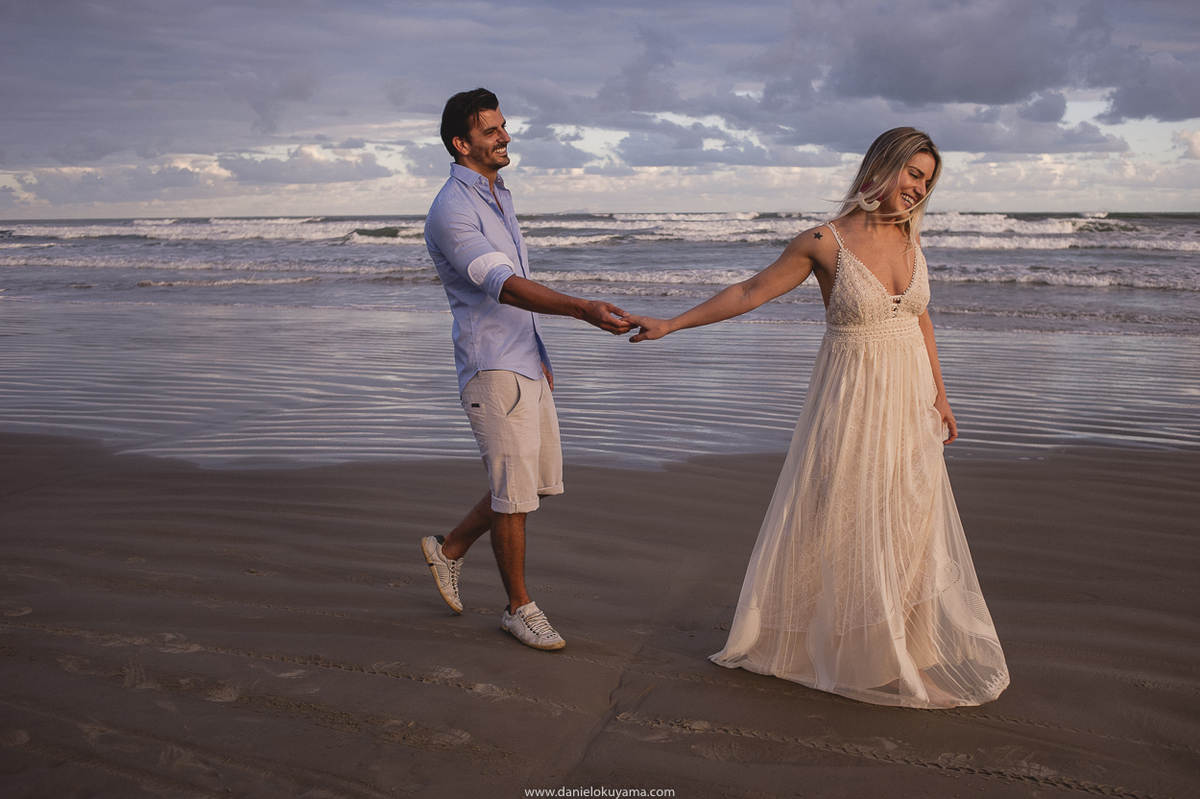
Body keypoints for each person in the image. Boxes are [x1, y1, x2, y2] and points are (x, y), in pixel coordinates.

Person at [624, 128, 1009, 708]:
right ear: (882, 167)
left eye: (927, 180)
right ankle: (833, 648)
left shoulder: (910, 239)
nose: (918, 189)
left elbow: (919, 319)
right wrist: (672, 324)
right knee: (846, 518)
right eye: (913, 173)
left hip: (910, 403)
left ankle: (901, 652)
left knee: (909, 524)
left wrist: (941, 395)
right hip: (852, 404)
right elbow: (751, 291)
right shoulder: (823, 242)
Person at [421, 88, 631, 651]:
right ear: (462, 144)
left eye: (504, 127)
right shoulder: (453, 209)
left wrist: (541, 355)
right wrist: (582, 308)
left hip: (524, 361)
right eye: (492, 131)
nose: (505, 137)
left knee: (531, 485)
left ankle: (449, 549)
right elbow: (504, 285)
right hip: (491, 366)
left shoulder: (498, 194)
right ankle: (518, 607)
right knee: (514, 495)